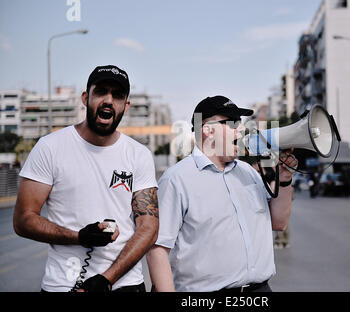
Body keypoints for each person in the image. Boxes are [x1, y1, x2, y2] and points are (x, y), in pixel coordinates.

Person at [13, 65, 159, 292]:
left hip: (124, 284)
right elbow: (23, 220)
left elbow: (148, 226)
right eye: (100, 91)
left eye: (118, 95)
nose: (109, 100)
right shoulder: (50, 147)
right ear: (85, 97)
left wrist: (107, 279)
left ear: (126, 106)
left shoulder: (138, 155)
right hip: (63, 284)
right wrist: (79, 236)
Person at [147, 95, 297, 292]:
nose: (242, 129)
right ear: (208, 130)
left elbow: (279, 222)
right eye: (233, 123)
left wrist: (284, 178)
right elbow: (157, 249)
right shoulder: (177, 179)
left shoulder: (248, 172)